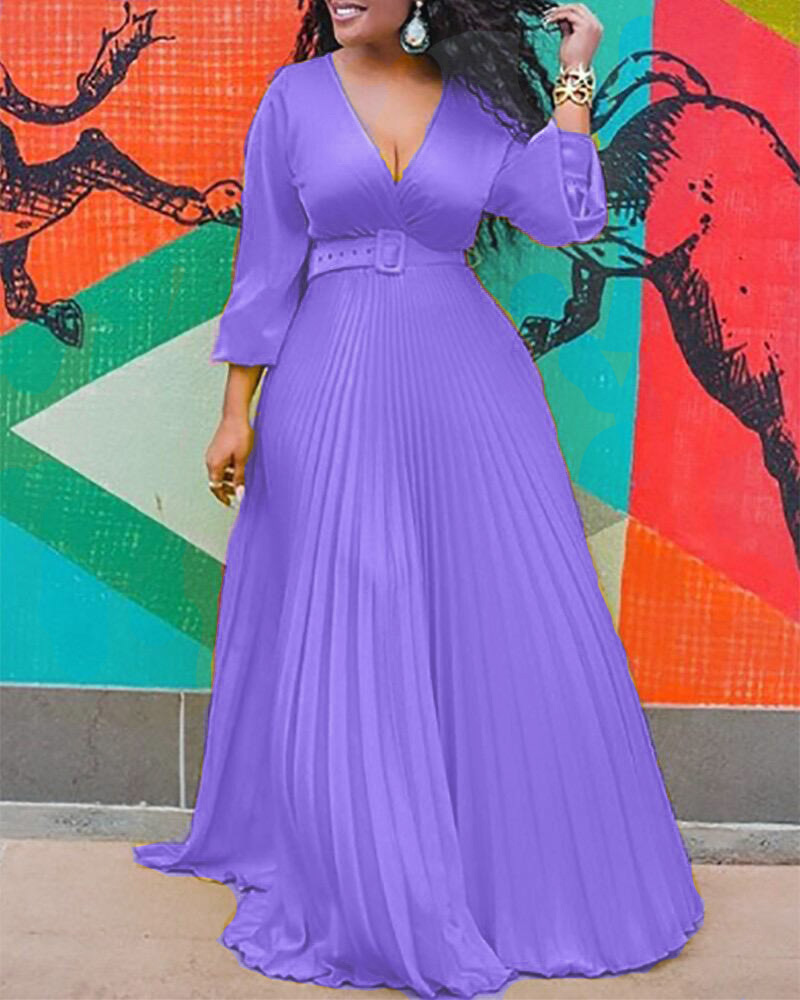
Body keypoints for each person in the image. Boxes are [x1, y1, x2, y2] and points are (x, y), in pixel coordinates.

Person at [133, 2, 705, 996]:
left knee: (502, 614)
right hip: (330, 385)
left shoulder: (479, 106)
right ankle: (373, 875)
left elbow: (567, 215)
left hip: (470, 390)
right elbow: (267, 262)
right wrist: (234, 411)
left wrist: (576, 72)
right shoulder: (293, 98)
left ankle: (507, 876)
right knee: (355, 609)